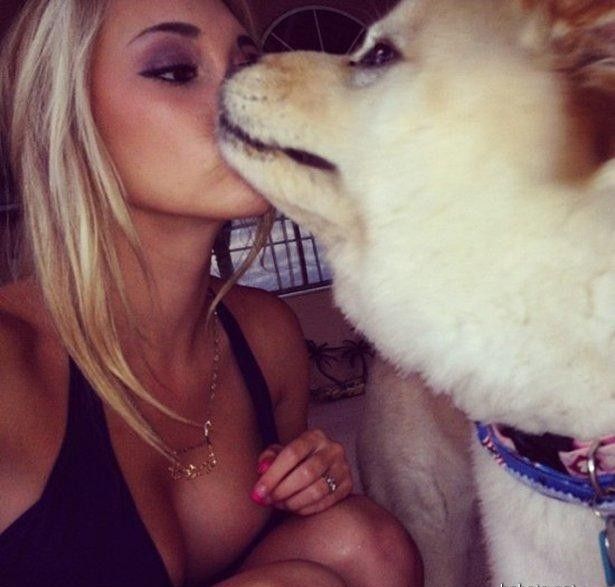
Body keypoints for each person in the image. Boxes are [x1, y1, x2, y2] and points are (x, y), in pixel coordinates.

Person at [0, 0, 423, 586]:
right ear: (65, 117)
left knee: (366, 543)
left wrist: (306, 482)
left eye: (247, 67)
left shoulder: (266, 336)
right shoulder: (11, 367)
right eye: (176, 70)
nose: (248, 96)